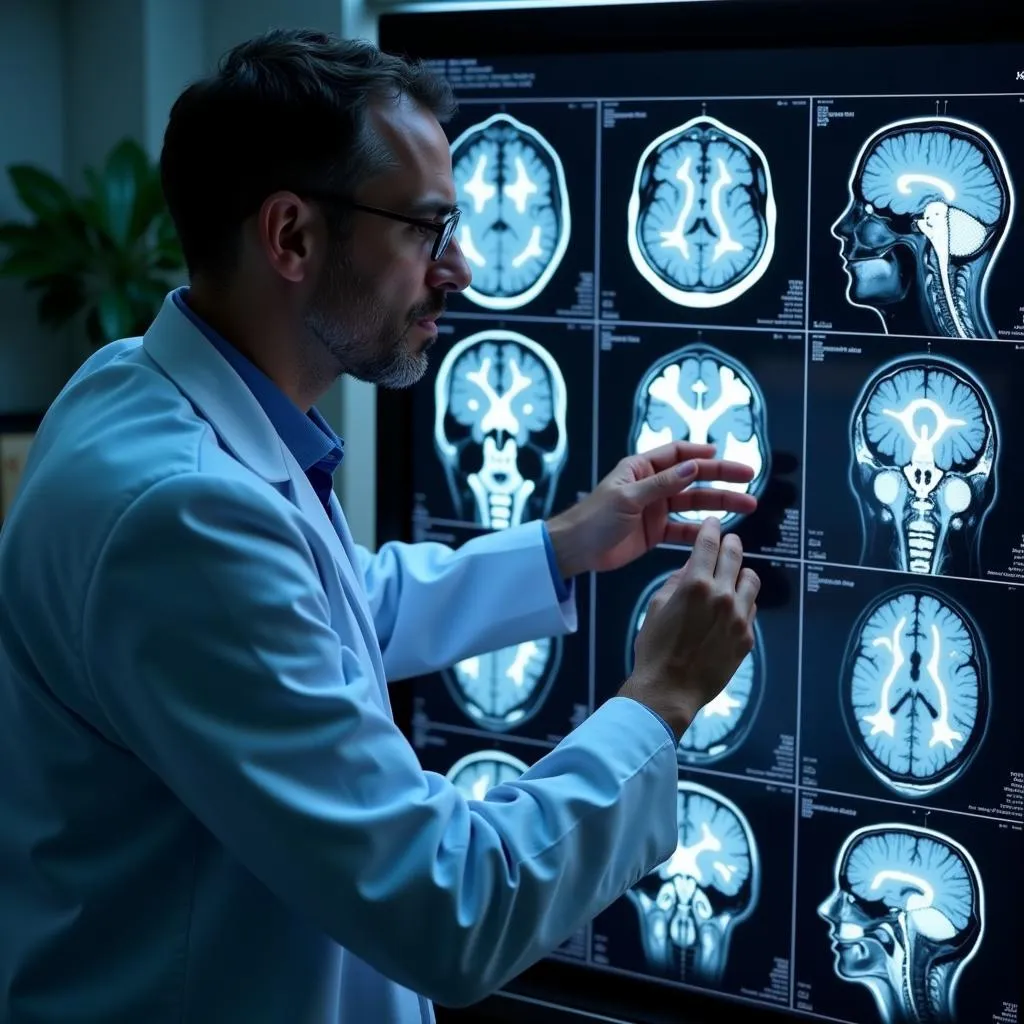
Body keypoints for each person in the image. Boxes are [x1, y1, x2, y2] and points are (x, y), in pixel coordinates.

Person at [0, 28, 761, 1024]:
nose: (462, 270)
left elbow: (332, 608)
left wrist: (565, 542)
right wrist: (658, 697)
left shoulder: (132, 388)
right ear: (292, 237)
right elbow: (449, 907)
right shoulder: (182, 515)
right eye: (425, 229)